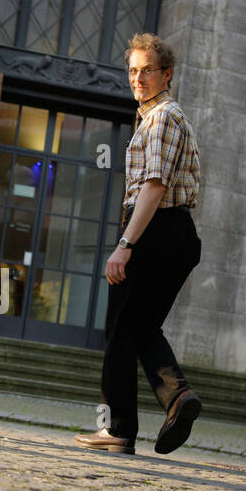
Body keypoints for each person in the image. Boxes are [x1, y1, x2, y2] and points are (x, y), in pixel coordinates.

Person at [75, 33, 201, 455]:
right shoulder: (154, 117)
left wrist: (126, 243)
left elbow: (155, 185)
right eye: (133, 70)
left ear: (167, 74)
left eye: (147, 70)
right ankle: (177, 398)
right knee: (140, 328)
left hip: (156, 229)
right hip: (174, 233)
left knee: (120, 332)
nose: (139, 77)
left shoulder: (163, 116)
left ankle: (119, 429)